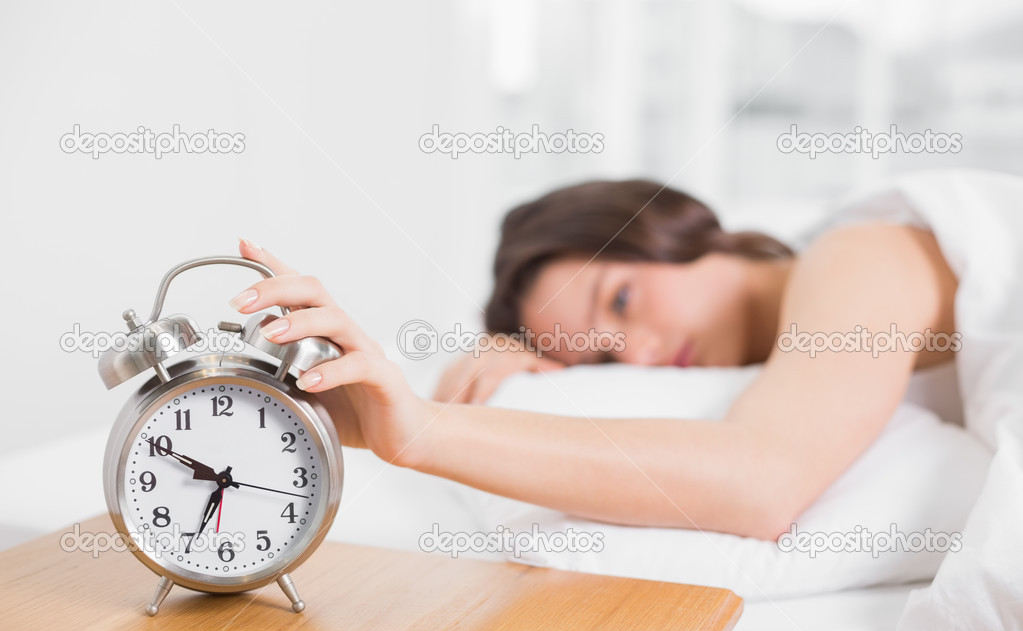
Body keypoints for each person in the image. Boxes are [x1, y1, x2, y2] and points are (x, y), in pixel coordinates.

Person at [232, 179, 958, 540]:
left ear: (672, 227)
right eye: (604, 358)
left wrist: (421, 431)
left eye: (618, 301)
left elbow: (763, 482)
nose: (640, 355)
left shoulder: (858, 254)